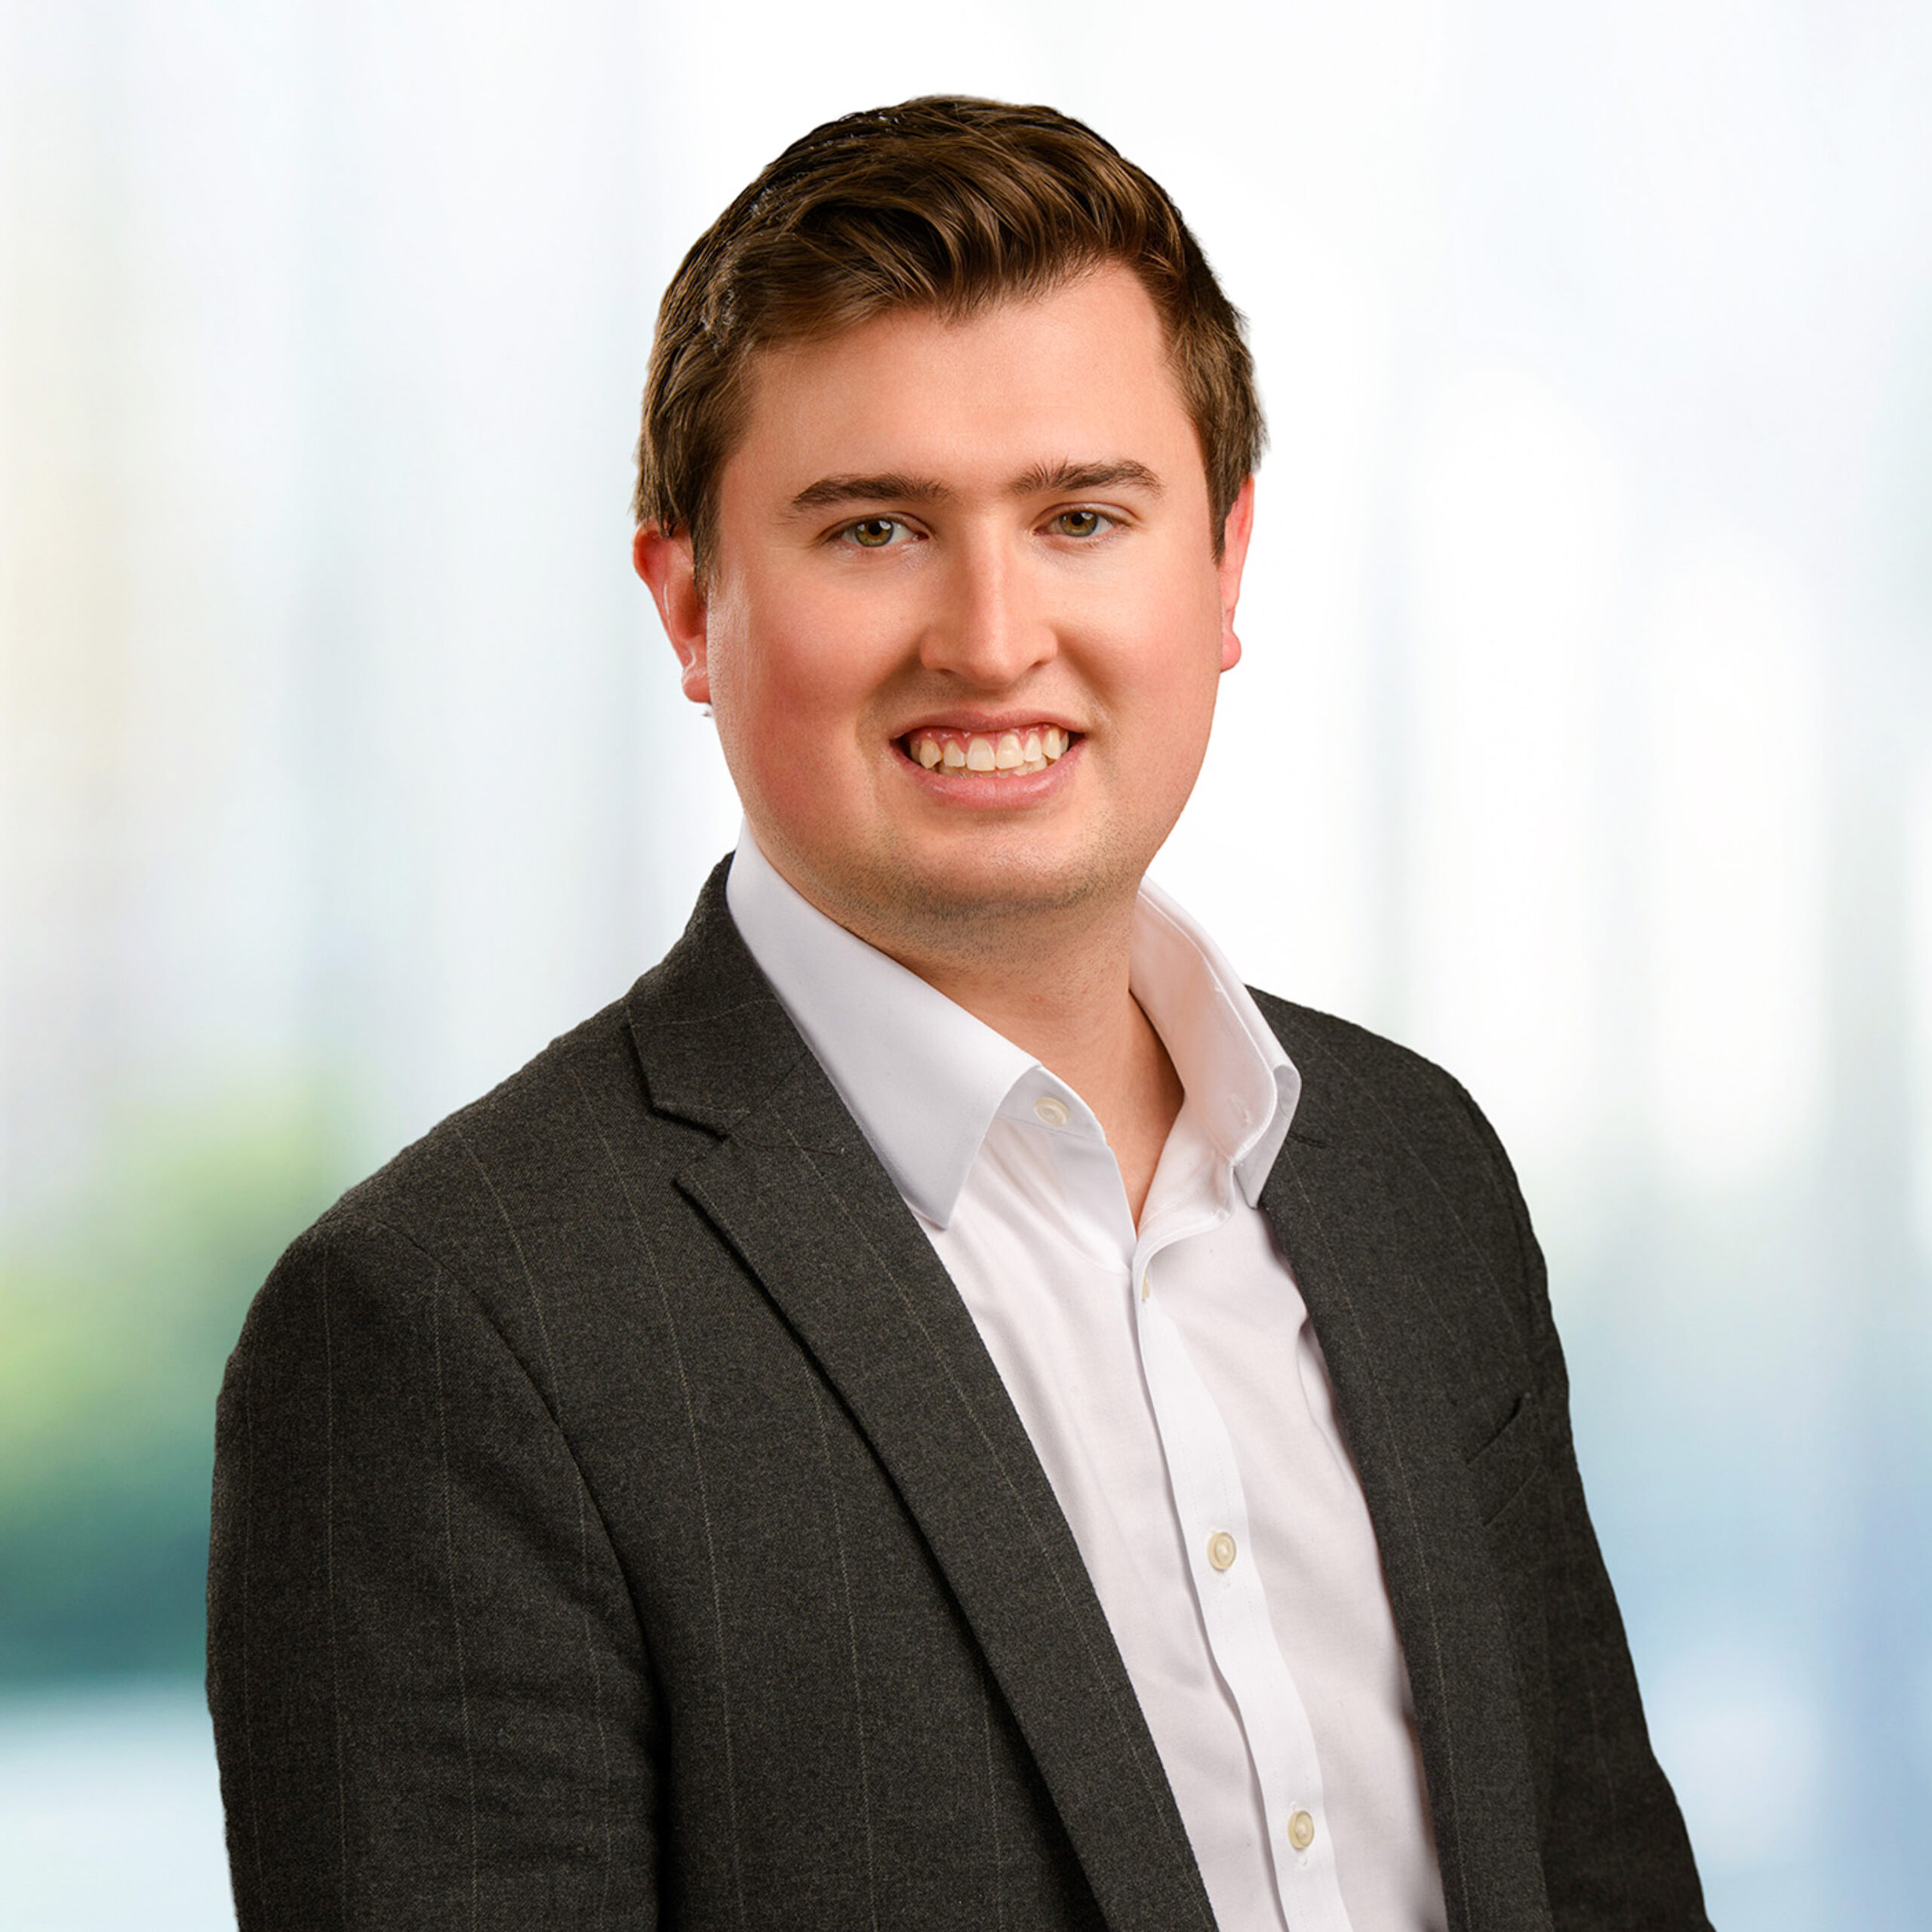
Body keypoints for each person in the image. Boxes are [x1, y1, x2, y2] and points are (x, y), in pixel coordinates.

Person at [207, 96, 1709, 1932]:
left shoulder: (1412, 1168)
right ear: (686, 603)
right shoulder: (450, 1326)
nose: (990, 638)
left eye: (1080, 516)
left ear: (1223, 566)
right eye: (873, 528)